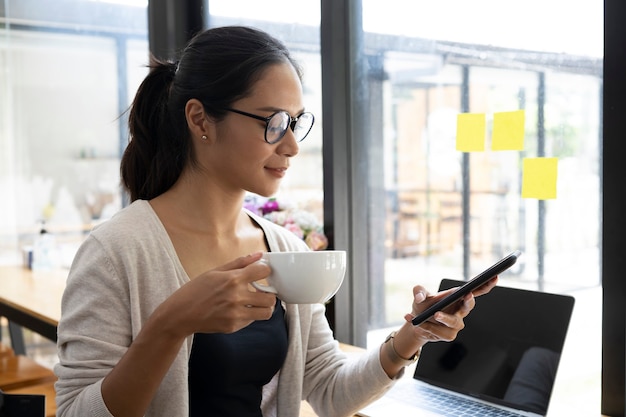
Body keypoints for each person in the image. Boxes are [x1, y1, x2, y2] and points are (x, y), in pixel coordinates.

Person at [54, 25, 497, 417]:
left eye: (297, 123)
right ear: (199, 119)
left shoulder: (286, 250)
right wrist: (171, 324)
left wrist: (410, 337)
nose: (291, 145)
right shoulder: (117, 251)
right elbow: (77, 412)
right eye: (274, 122)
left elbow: (328, 390)